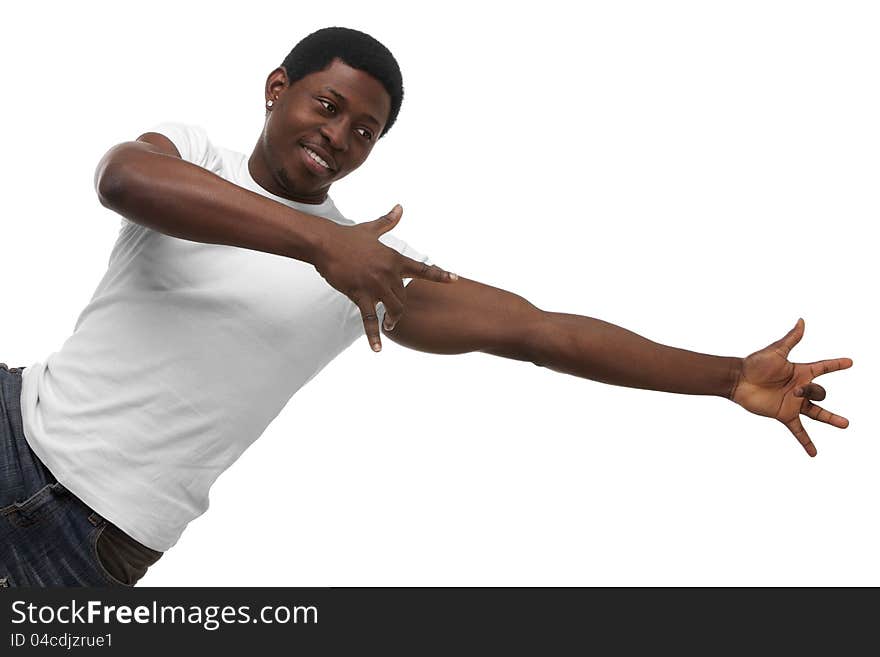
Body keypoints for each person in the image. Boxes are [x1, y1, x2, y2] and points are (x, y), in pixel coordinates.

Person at [0, 27, 853, 588]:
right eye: (327, 106)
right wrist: (318, 242)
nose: (338, 136)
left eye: (363, 131)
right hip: (16, 418)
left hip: (82, 536)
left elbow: (537, 331)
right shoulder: (198, 156)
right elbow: (123, 178)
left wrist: (727, 375)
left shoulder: (374, 268)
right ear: (277, 89)